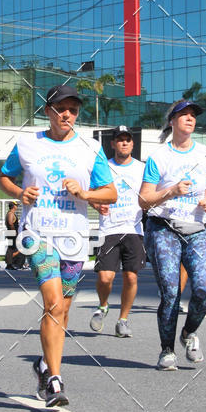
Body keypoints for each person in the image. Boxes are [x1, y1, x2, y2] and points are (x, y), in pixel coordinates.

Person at [0, 85, 117, 407]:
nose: (67, 115)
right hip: (37, 233)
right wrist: (18, 194)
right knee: (52, 303)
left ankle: (43, 364)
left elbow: (111, 193)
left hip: (74, 238)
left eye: (73, 109)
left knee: (63, 309)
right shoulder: (28, 144)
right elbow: (5, 177)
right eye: (61, 108)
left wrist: (86, 194)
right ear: (48, 111)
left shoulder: (90, 148)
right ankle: (54, 379)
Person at [140, 99, 206, 370]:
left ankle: (188, 333)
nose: (189, 118)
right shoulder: (159, 157)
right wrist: (170, 191)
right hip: (164, 227)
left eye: (193, 115)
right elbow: (144, 200)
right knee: (171, 291)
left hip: (196, 229)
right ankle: (167, 350)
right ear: (172, 121)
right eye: (183, 115)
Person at [89, 126, 147, 338]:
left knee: (131, 277)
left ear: (132, 144)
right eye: (119, 140)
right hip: (109, 228)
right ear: (112, 144)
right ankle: (103, 306)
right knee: (105, 278)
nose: (124, 143)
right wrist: (97, 206)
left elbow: (149, 193)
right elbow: (92, 194)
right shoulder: (103, 167)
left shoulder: (142, 168)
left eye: (127, 140)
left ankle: (123, 320)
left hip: (133, 229)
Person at [4, 201, 23, 270]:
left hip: (11, 232)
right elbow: (10, 223)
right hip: (12, 232)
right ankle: (9, 264)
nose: (17, 207)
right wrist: (14, 231)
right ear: (13, 206)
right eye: (16, 205)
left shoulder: (11, 213)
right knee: (11, 248)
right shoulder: (11, 213)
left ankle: (11, 263)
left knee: (13, 248)